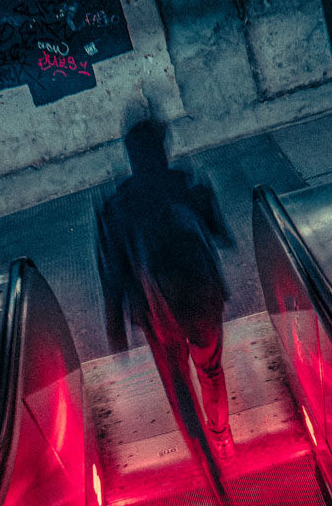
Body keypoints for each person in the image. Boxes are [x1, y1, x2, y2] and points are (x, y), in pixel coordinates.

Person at [95, 120, 236, 461]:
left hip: (155, 311)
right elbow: (224, 237)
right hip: (203, 302)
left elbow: (113, 273)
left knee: (178, 385)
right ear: (164, 149)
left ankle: (201, 456)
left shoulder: (117, 206)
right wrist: (203, 197)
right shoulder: (185, 184)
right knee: (211, 370)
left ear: (131, 157)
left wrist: (116, 331)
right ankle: (222, 440)